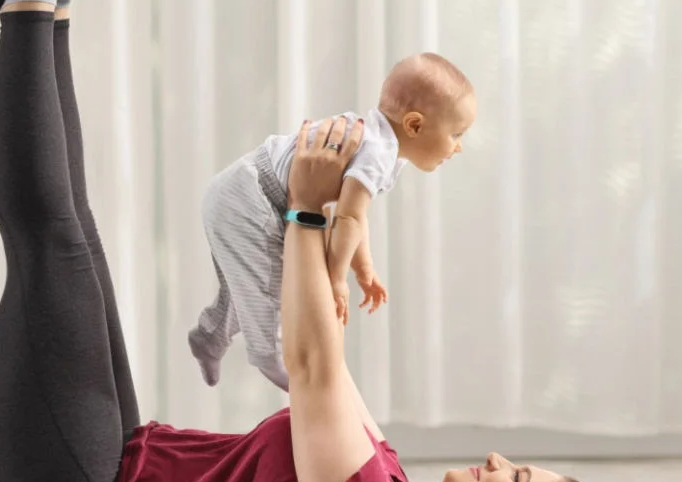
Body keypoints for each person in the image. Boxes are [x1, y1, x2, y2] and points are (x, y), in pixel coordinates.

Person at [0, 0, 631, 482]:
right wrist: (311, 211)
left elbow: (311, 366)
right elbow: (325, 360)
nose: (500, 459)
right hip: (124, 471)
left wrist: (308, 212)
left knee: (53, 247)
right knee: (76, 238)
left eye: (518, 479)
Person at [185, 52, 476, 391]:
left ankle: (209, 337)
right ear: (414, 125)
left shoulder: (381, 145)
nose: (458, 148)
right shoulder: (377, 152)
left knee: (245, 289)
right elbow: (348, 217)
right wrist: (337, 279)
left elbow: (355, 214)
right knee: (266, 291)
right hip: (252, 198)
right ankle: (280, 364)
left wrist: (363, 269)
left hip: (239, 191)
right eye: (456, 134)